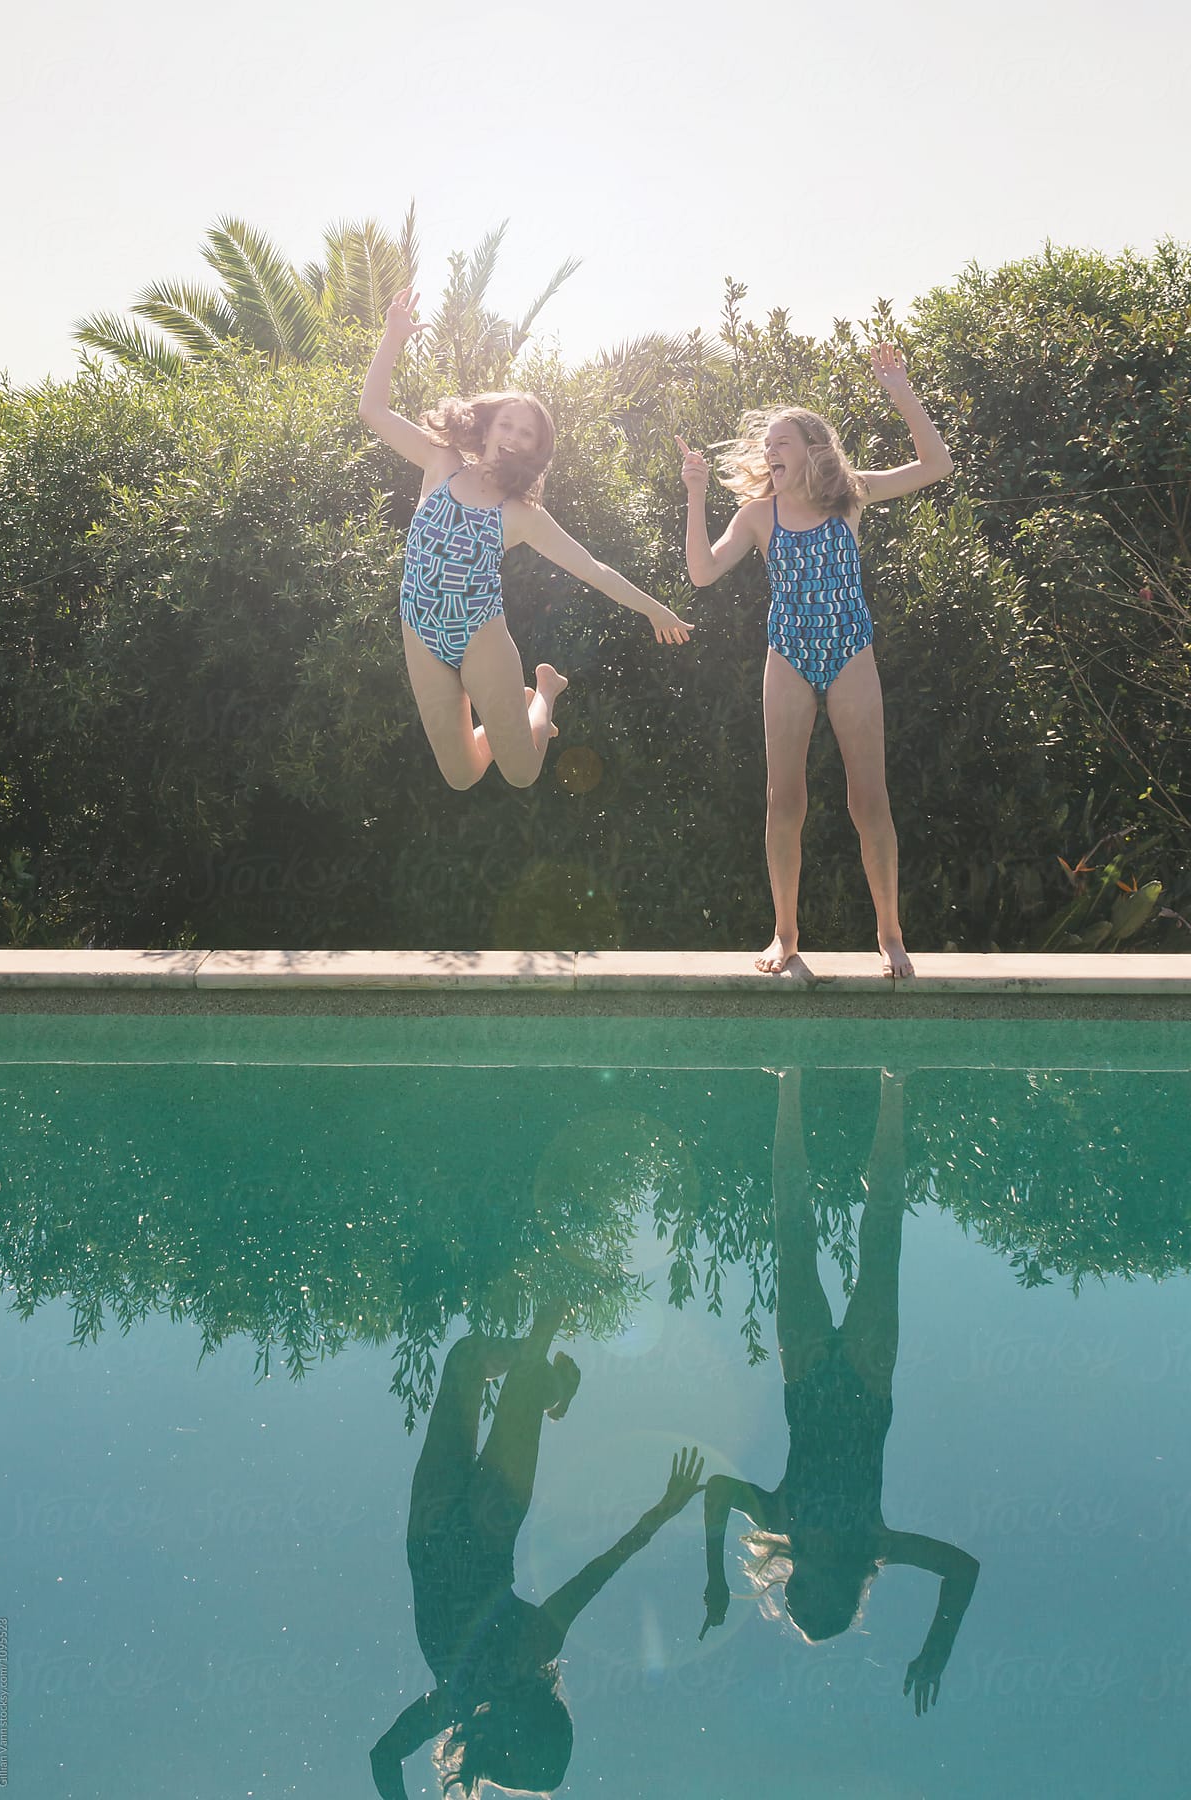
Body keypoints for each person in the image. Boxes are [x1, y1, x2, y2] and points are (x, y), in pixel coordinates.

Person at [699, 1069, 978, 1715]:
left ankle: (789, 1084)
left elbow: (715, 1492)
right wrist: (937, 1647)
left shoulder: (782, 1525)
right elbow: (963, 1569)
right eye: (810, 1594)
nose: (799, 1584)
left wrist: (715, 1575)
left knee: (791, 1234)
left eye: (795, 1593)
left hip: (807, 1376)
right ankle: (895, 1085)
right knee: (881, 1239)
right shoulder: (873, 1543)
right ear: (838, 1591)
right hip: (865, 1379)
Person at [676, 346, 953, 978]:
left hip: (850, 649)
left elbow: (936, 465)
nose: (770, 451)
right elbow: (701, 572)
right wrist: (695, 494)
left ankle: (889, 934)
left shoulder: (847, 499)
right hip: (790, 655)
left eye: (782, 442)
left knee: (868, 798)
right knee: (784, 798)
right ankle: (785, 935)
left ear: (811, 449)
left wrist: (898, 387)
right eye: (767, 445)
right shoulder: (757, 515)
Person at [361, 290, 692, 790]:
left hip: (479, 635)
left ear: (536, 449)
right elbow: (373, 410)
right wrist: (391, 337)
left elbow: (592, 568)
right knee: (460, 777)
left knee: (521, 773)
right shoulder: (443, 462)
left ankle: (543, 694)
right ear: (489, 426)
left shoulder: (521, 514)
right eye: (507, 423)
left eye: (527, 433)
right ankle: (509, 717)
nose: (514, 436)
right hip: (419, 629)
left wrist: (653, 609)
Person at [370, 1306, 703, 1797]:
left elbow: (383, 1755)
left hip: (431, 1530)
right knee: (524, 1378)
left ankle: (545, 1370)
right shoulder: (536, 1645)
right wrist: (660, 1513)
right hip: (489, 1525)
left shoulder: (455, 1702)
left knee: (465, 1360)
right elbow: (599, 1571)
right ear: (535, 1728)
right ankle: (549, 1369)